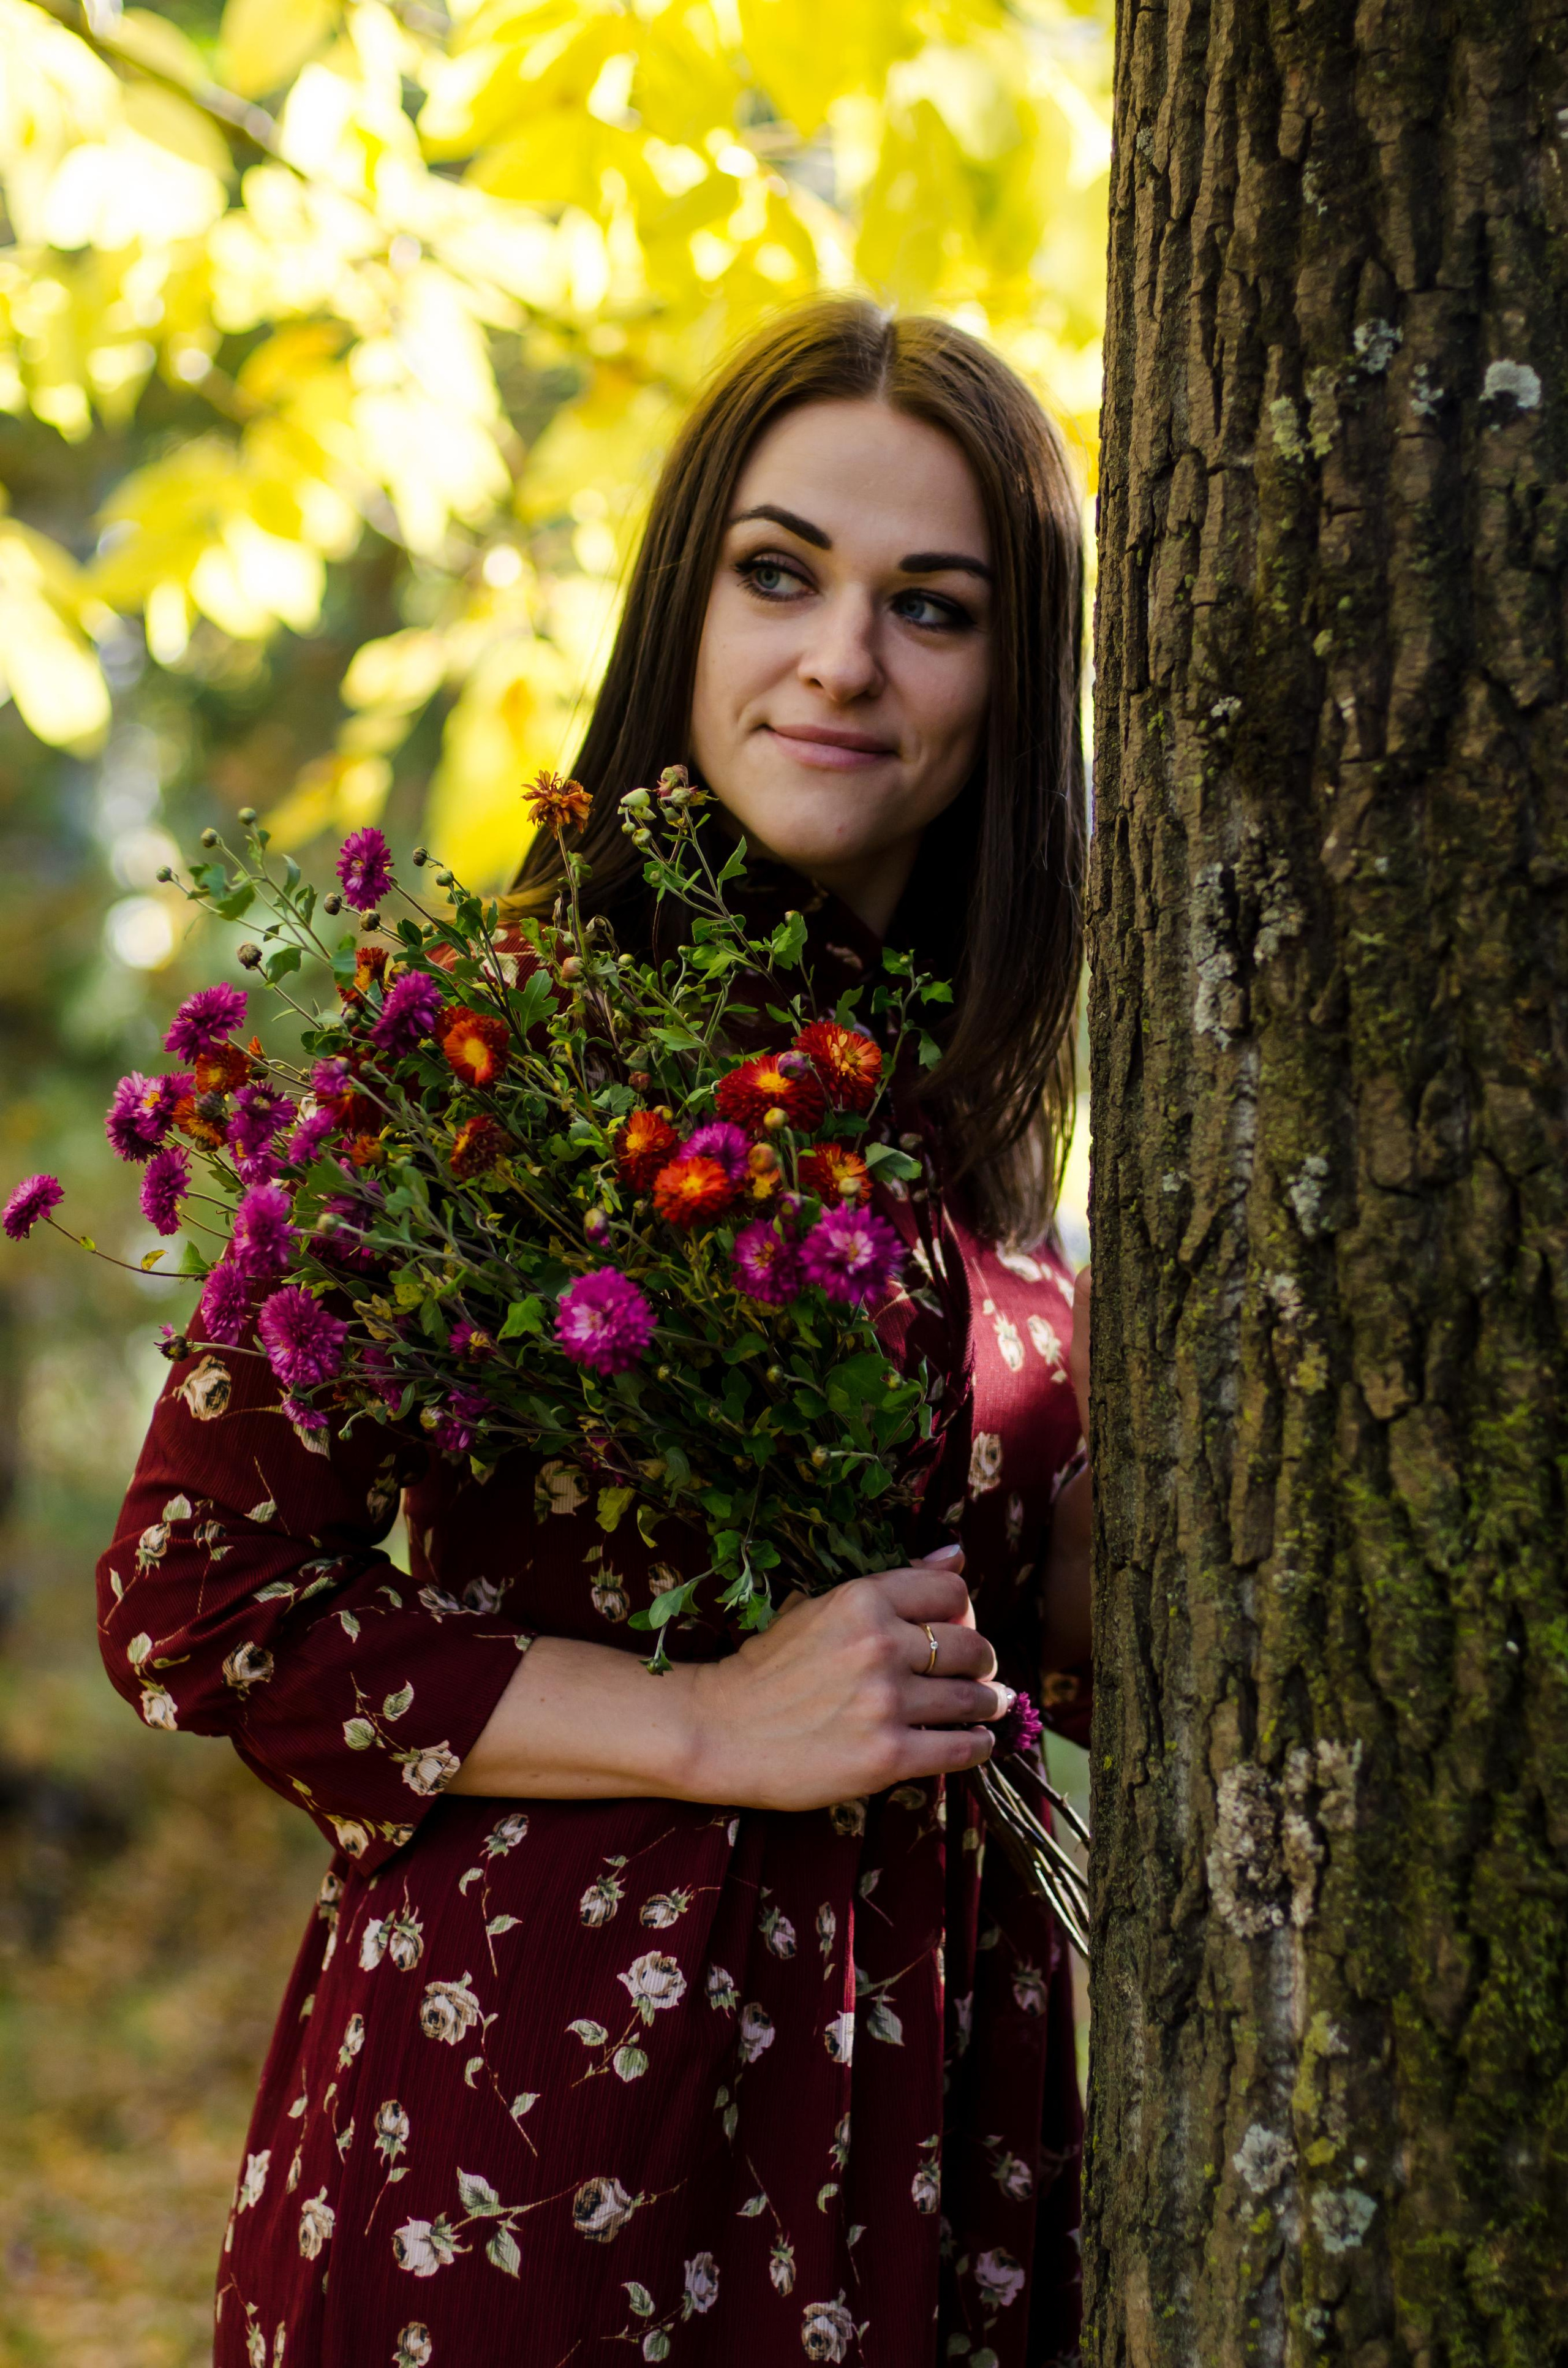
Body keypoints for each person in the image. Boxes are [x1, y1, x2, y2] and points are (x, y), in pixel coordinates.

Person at [96, 298, 1093, 2368]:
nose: (842, 658)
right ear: (685, 610)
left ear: (1019, 683)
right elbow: (194, 1603)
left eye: (935, 607)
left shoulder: (994, 1139)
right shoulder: (493, 1067)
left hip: (929, 2140)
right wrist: (707, 1720)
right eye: (781, 572)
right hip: (540, 2137)